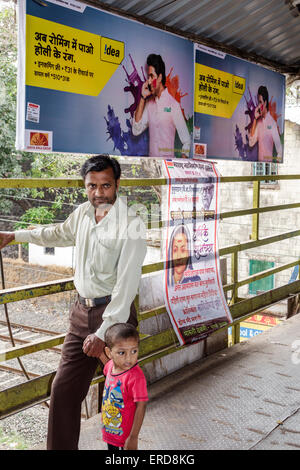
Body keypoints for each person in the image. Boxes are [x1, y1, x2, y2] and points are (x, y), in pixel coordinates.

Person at [0, 155, 147, 450]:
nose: (98, 193)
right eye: (92, 186)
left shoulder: (132, 224)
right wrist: (14, 235)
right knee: (63, 391)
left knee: (118, 395)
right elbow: (56, 232)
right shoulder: (82, 213)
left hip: (114, 319)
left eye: (105, 185)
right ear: (85, 186)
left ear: (117, 184)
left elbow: (127, 285)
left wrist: (103, 331)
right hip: (81, 314)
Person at [132, 53, 191, 158]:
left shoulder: (173, 105)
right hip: (152, 168)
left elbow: (186, 141)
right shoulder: (149, 104)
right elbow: (136, 130)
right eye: (148, 77)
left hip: (168, 167)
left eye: (151, 76)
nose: (149, 81)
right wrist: (142, 97)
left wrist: (180, 167)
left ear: (159, 77)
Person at [101, 323, 148, 450]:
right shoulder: (110, 366)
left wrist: (133, 437)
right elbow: (107, 371)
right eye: (122, 352)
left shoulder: (136, 376)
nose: (129, 358)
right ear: (109, 353)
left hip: (125, 439)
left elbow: (141, 406)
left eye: (134, 351)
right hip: (110, 432)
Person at [249, 85, 283, 162]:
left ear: (265, 103)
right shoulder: (259, 123)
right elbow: (251, 142)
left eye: (260, 102)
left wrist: (273, 165)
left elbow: (279, 151)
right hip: (258, 167)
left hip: (268, 167)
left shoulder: (272, 123)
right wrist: (254, 119)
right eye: (258, 102)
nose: (258, 105)